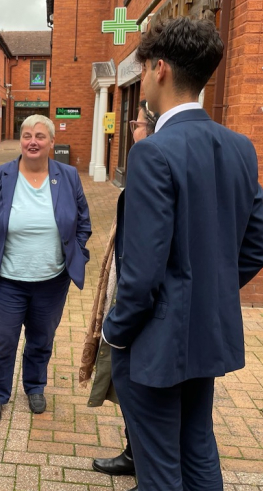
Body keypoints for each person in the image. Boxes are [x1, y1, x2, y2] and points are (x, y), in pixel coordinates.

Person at [102, 17, 263, 491]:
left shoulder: (153, 153)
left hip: (153, 342)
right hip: (206, 334)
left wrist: (115, 331)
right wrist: (203, 292)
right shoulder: (241, 147)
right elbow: (257, 247)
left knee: (158, 470)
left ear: (159, 69)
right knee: (198, 451)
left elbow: (142, 271)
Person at [0, 114, 92, 423]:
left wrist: (79, 256)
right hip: (8, 278)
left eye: (39, 136)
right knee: (2, 340)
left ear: (51, 142)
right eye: (26, 135)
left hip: (52, 279)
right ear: (20, 140)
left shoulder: (68, 176)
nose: (32, 141)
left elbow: (83, 223)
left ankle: (35, 386)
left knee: (41, 338)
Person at [88, 100, 157, 490]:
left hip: (143, 313)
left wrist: (116, 324)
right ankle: (134, 454)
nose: (133, 128)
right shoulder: (145, 162)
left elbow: (144, 263)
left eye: (137, 121)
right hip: (139, 305)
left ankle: (148, 469)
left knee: (148, 402)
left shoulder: (153, 161)